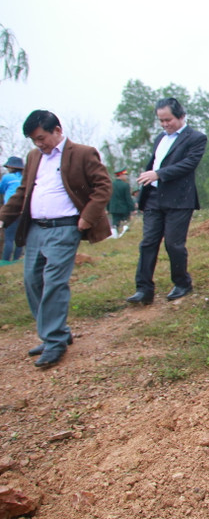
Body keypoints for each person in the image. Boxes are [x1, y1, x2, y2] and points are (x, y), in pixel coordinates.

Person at [0, 111, 112, 368]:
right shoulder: (34, 157)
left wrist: (87, 217)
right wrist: (3, 218)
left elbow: (103, 186)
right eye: (34, 140)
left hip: (65, 227)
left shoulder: (83, 153)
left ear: (57, 130)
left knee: (53, 282)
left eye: (41, 138)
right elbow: (23, 191)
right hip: (36, 228)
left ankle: (54, 341)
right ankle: (55, 331)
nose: (38, 144)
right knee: (32, 280)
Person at [127, 98, 207, 305]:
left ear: (181, 116)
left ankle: (182, 283)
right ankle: (143, 289)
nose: (164, 124)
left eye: (168, 120)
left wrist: (159, 174)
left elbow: (189, 164)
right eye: (161, 121)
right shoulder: (160, 138)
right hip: (154, 197)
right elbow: (154, 163)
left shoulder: (196, 138)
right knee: (148, 243)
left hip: (179, 199)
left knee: (174, 244)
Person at [0, 156, 25, 261]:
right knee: (18, 237)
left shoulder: (7, 177)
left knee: (9, 238)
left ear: (11, 167)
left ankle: (6, 261)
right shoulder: (24, 178)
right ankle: (16, 259)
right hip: (23, 209)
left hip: (10, 209)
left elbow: (1, 189)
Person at [107, 168, 134, 238]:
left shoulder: (111, 185)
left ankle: (115, 236)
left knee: (115, 224)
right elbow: (128, 198)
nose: (126, 177)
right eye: (125, 175)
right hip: (124, 209)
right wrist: (132, 209)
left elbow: (108, 198)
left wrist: (108, 209)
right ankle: (123, 237)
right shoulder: (125, 185)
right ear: (121, 175)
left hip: (113, 208)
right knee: (125, 223)